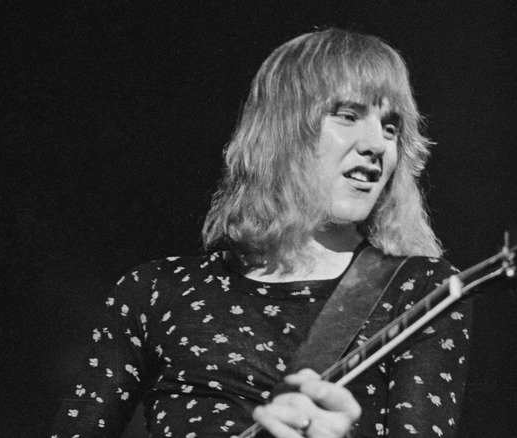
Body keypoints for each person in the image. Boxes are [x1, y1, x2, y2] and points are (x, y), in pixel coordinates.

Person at [50, 28, 472, 438]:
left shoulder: (419, 291)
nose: (377, 144)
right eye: (348, 115)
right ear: (284, 128)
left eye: (391, 127)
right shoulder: (155, 292)